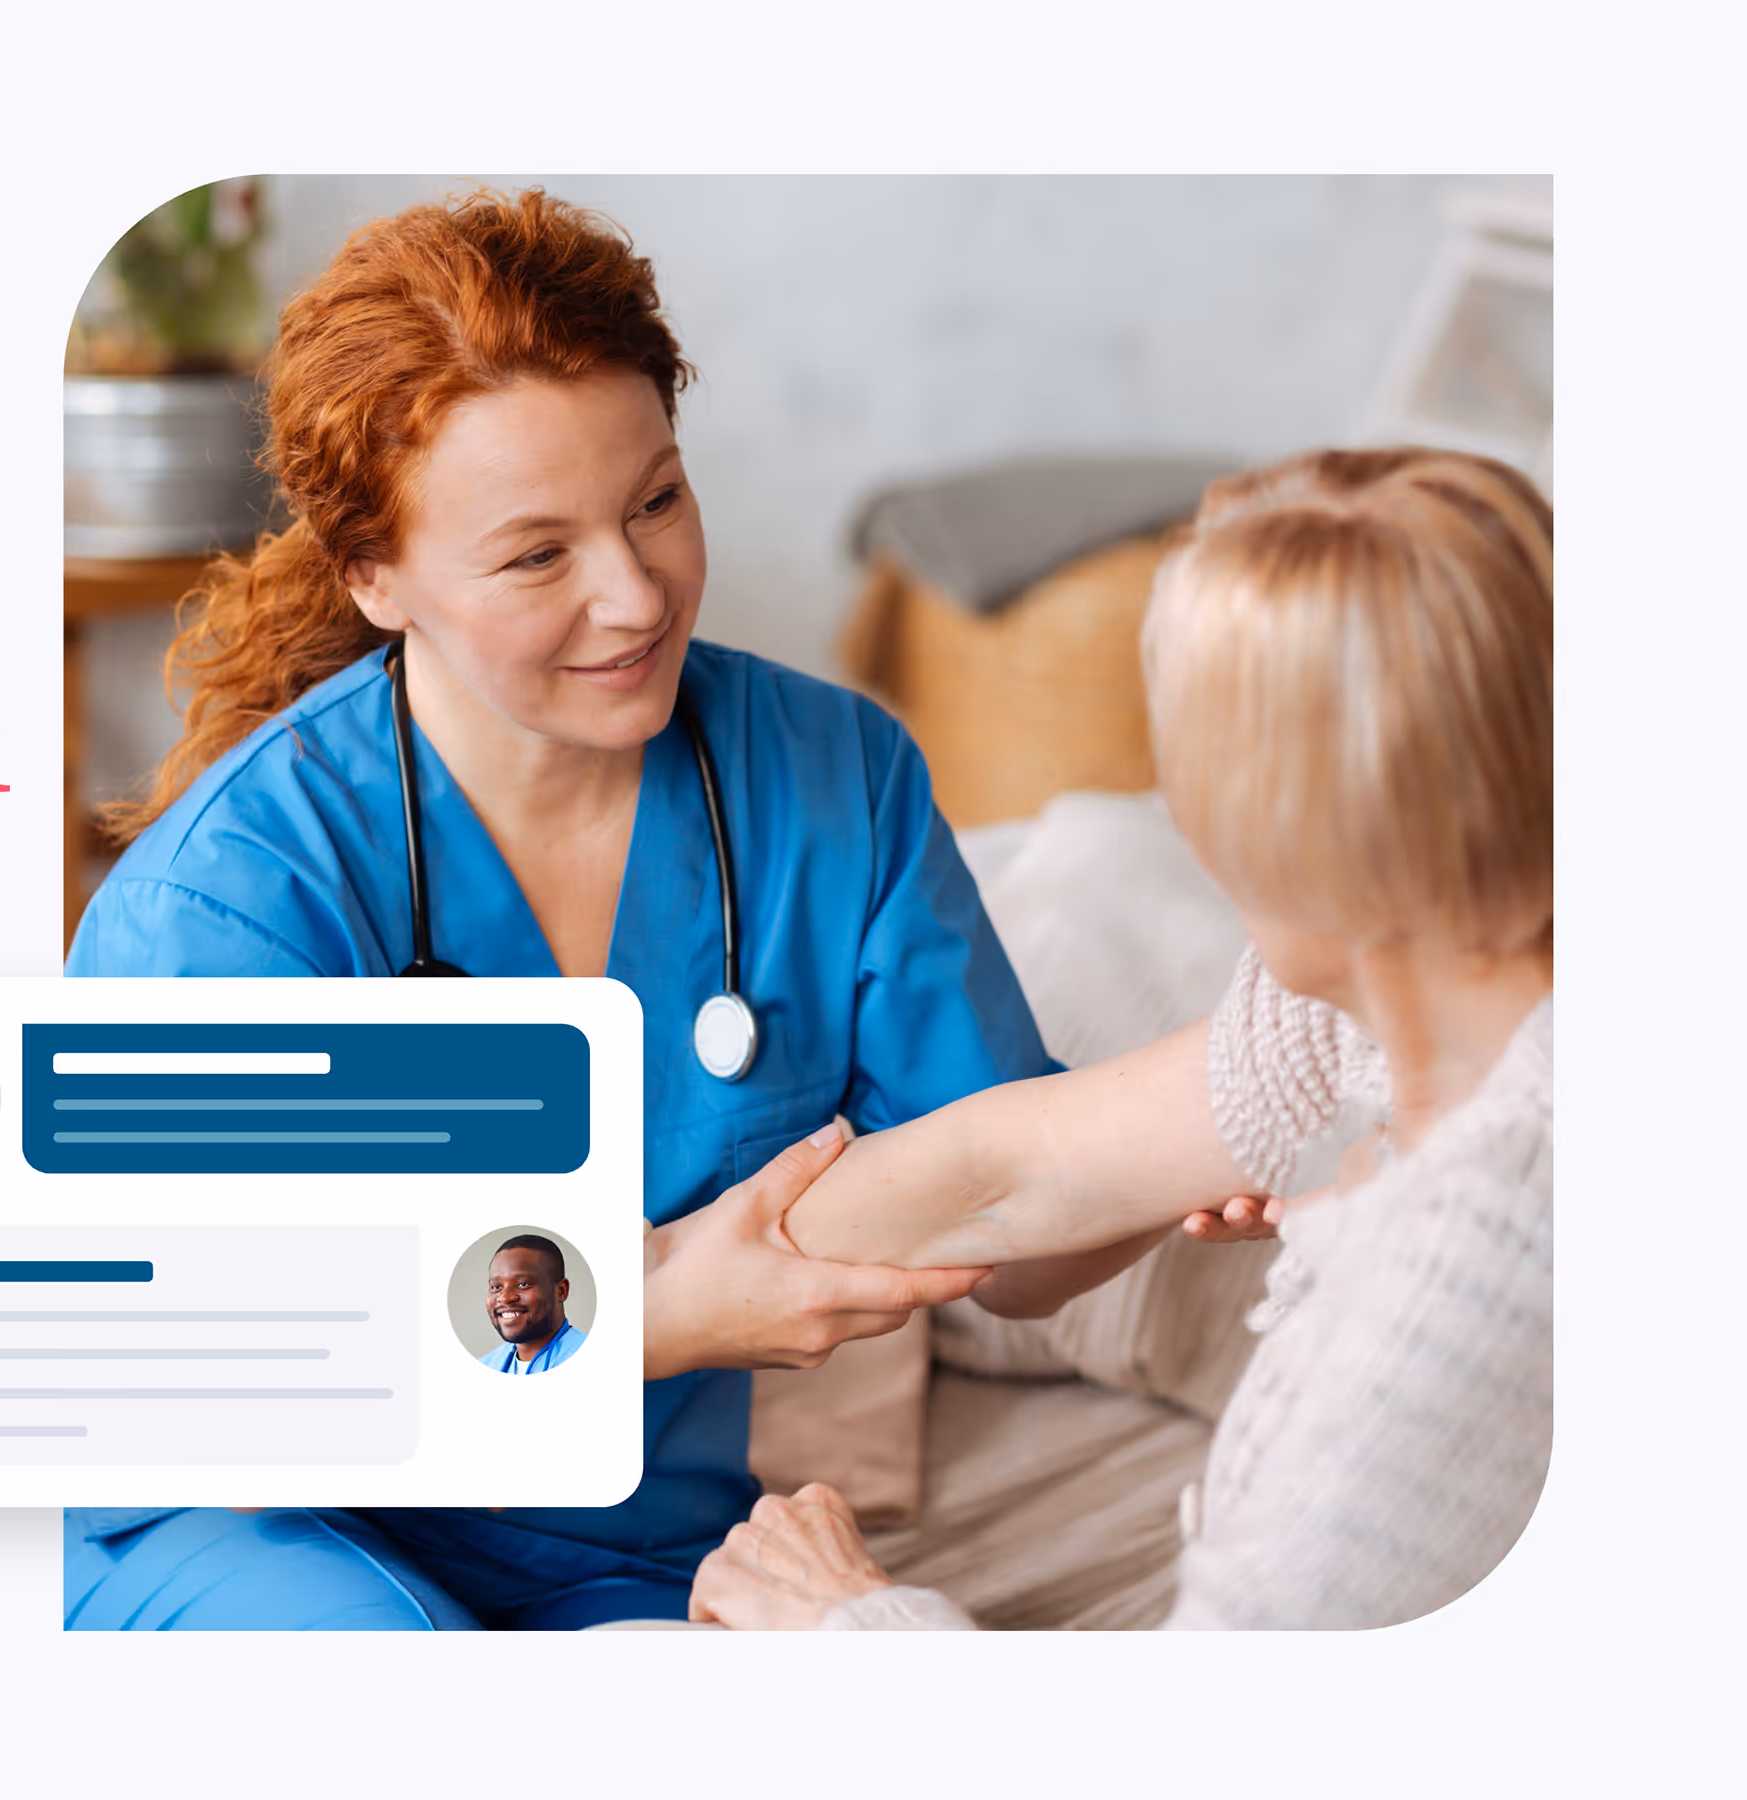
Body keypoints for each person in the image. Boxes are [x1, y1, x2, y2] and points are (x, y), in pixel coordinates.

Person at [60, 188, 1060, 1631]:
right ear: (375, 574)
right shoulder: (235, 897)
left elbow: (1008, 1187)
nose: (637, 593)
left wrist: (1222, 1145)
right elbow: (195, 1364)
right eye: (538, 555)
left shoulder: (831, 780)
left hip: (634, 1562)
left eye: (656, 498)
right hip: (261, 1532)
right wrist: (646, 1319)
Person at [689, 447, 1554, 1631]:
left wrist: (844, 1621)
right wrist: (633, 1303)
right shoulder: (1374, 997)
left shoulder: (1472, 1252)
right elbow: (1011, 1172)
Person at [479, 1234, 586, 1373]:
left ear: (561, 1291)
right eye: (496, 1287)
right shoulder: (486, 1365)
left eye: (523, 1284)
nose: (504, 1298)